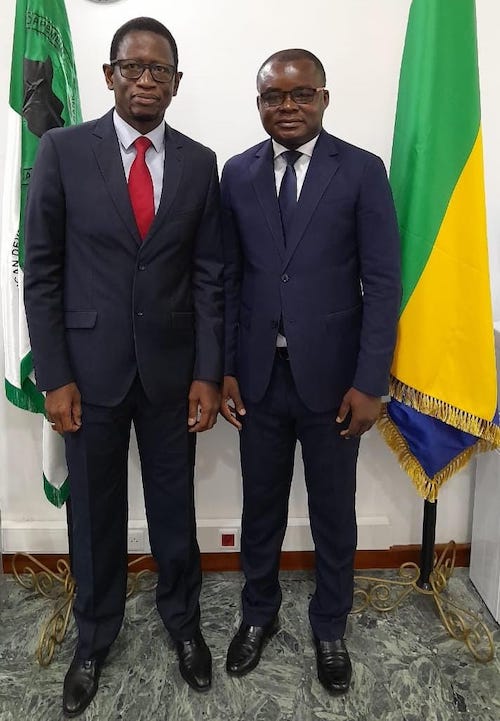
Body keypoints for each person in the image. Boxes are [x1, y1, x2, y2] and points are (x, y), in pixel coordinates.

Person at [24, 17, 223, 717]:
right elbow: (42, 271)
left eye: (158, 70)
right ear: (109, 76)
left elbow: (209, 274)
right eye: (132, 68)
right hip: (88, 375)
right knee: (93, 515)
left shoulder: (200, 162)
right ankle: (94, 636)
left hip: (172, 376)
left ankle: (184, 624)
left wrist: (208, 371)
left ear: (176, 82)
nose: (145, 80)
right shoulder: (62, 150)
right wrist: (54, 376)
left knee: (175, 510)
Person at [220, 49, 401, 695]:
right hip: (259, 377)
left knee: (333, 511)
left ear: (324, 98)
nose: (287, 106)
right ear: (259, 103)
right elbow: (227, 276)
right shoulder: (237, 172)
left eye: (301, 94)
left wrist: (371, 381)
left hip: (336, 383)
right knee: (260, 506)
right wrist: (224, 368)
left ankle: (330, 625)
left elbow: (382, 283)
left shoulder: (361, 170)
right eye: (274, 96)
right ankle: (258, 614)